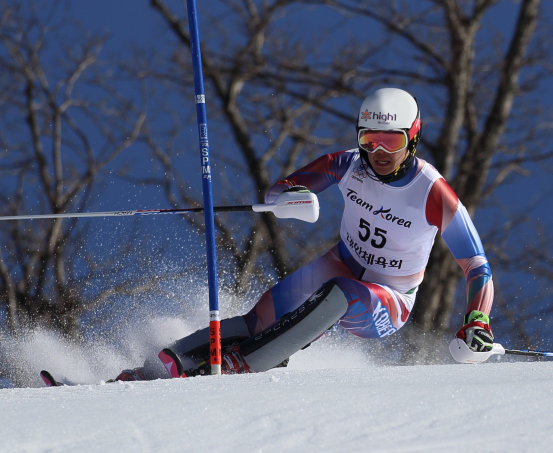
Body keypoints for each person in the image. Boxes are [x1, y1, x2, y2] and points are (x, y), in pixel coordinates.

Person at [116, 87, 495, 381]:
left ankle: (244, 364)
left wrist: (478, 319)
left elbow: (477, 265)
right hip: (340, 264)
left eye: (391, 141)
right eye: (369, 139)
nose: (378, 151)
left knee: (341, 293)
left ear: (412, 139)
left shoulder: (432, 192)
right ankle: (150, 370)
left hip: (388, 299)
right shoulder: (349, 164)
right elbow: (280, 189)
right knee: (258, 320)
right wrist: (292, 196)